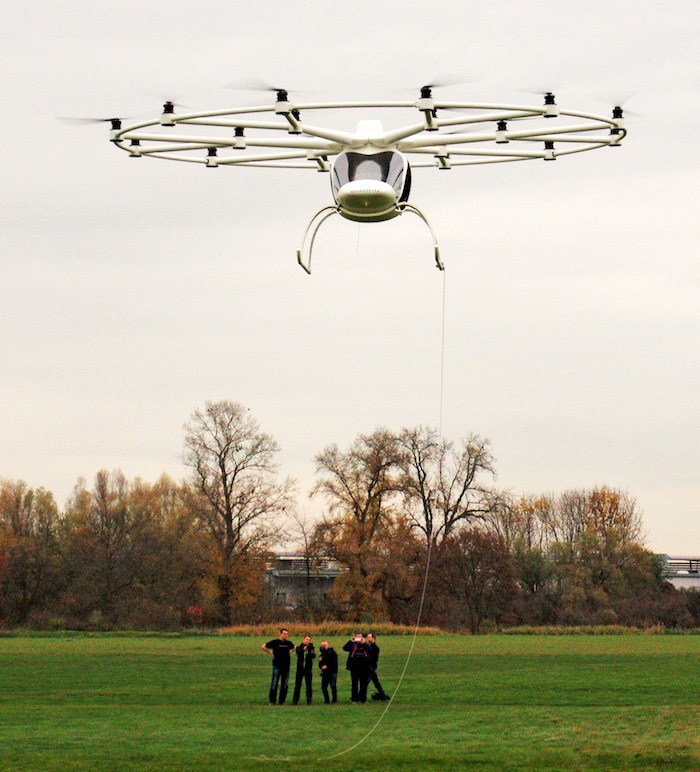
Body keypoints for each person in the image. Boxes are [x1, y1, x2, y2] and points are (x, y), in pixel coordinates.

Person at [261, 628, 295, 705]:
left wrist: (290, 652)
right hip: (277, 665)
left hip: (286, 666)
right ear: (281, 634)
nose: (285, 635)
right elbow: (263, 646)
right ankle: (272, 701)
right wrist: (271, 653)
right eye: (284, 633)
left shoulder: (288, 643)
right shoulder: (275, 642)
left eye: (287, 634)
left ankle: (282, 701)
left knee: (285, 684)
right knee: (274, 683)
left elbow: (294, 648)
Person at [343, 632, 372, 703]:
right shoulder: (353, 645)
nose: (359, 639)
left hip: (364, 667)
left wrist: (364, 643)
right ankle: (354, 699)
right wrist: (350, 641)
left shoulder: (365, 645)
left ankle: (363, 699)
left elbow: (370, 650)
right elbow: (345, 648)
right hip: (354, 667)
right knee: (354, 684)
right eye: (357, 637)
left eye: (360, 637)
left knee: (363, 684)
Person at [292, 634, 315, 705]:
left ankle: (309, 700)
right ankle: (295, 700)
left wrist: (311, 650)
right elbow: (298, 653)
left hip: (308, 669)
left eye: (309, 640)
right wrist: (303, 649)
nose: (308, 641)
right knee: (298, 685)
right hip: (300, 669)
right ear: (303, 640)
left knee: (309, 685)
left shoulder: (311, 648)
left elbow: (313, 656)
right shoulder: (299, 647)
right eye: (306, 639)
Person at [367, 632, 389, 701]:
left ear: (373, 638)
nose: (368, 638)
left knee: (366, 683)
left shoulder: (375, 648)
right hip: (370, 668)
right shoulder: (368, 647)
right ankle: (383, 696)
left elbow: (375, 659)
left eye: (369, 637)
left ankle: (359, 696)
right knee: (376, 683)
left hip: (372, 668)